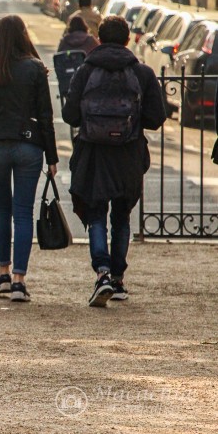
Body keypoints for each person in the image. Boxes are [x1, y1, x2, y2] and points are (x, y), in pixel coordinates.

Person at [62, 16, 166, 307]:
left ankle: (102, 273)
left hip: (94, 153)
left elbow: (70, 115)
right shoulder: (142, 72)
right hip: (129, 153)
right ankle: (118, 279)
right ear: (128, 39)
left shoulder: (85, 70)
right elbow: (156, 118)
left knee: (95, 213)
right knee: (122, 215)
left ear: (98, 38)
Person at [0, 15, 59, 302]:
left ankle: (2, 274)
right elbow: (45, 115)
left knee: (1, 207)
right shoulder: (34, 69)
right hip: (28, 143)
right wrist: (52, 155)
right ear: (23, 36)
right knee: (23, 212)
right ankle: (20, 280)